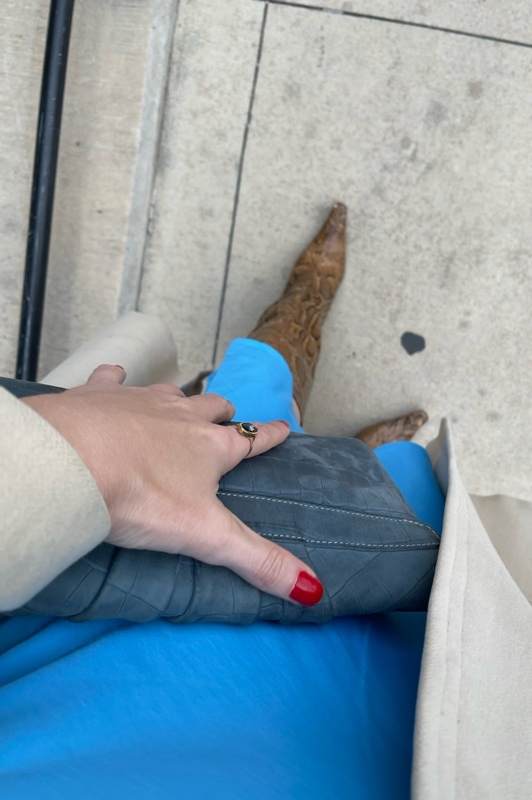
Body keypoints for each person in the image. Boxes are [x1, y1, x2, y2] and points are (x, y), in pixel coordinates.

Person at [0, 204, 445, 798]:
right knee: (385, 553)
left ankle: (303, 312)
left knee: (244, 421)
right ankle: (357, 472)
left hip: (60, 597)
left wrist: (82, 451)